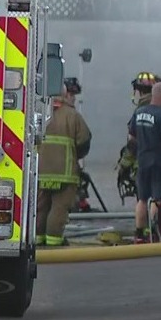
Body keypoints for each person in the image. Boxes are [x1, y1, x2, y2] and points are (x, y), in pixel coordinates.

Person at [36, 81, 92, 246]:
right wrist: (76, 156)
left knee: (40, 207)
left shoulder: (39, 112)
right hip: (65, 173)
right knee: (59, 208)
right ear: (65, 95)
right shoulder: (72, 115)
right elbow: (84, 141)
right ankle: (54, 240)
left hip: (40, 172)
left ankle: (37, 238)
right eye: (71, 95)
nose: (73, 98)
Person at [127, 81, 161, 243]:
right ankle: (155, 231)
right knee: (158, 199)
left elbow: (131, 138)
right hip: (160, 163)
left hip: (143, 162)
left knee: (142, 199)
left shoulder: (139, 112)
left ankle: (139, 233)